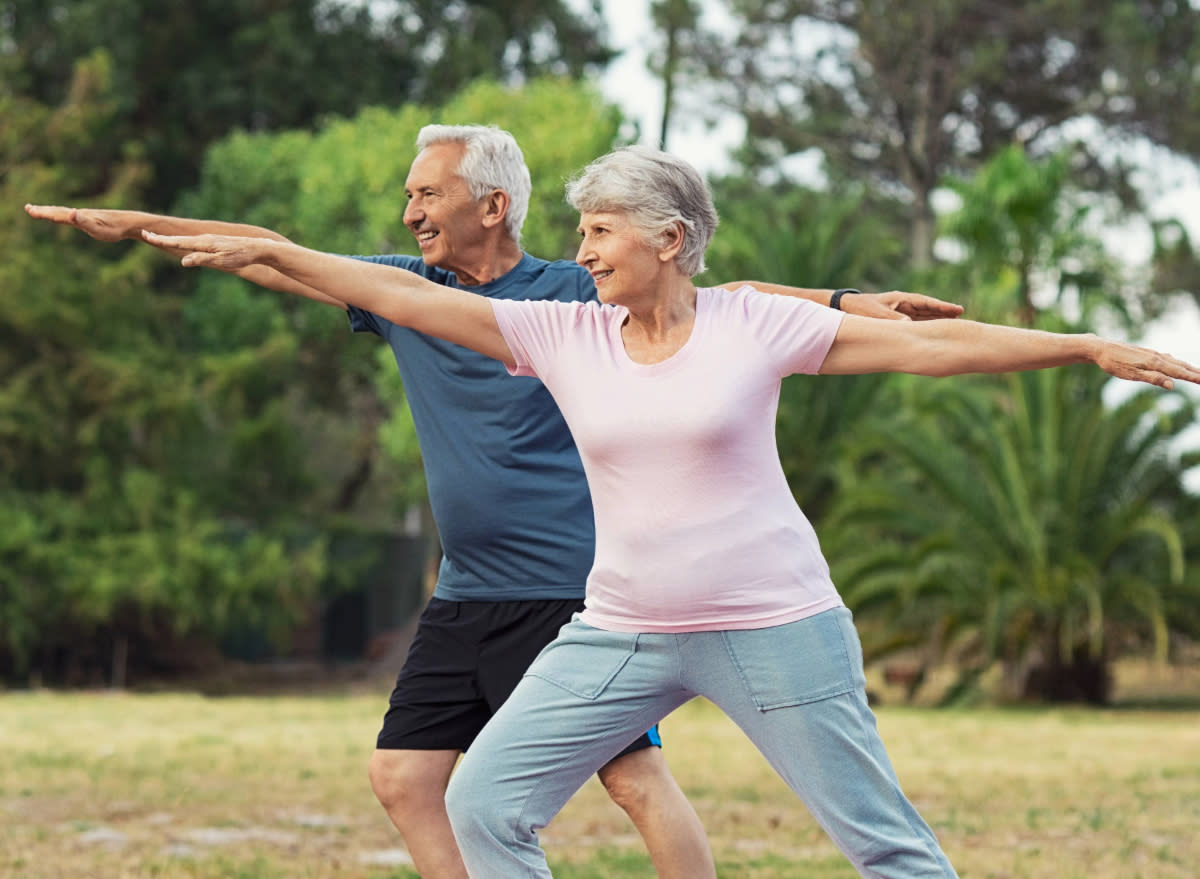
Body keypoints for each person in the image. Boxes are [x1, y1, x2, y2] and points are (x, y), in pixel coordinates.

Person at [138, 143, 1200, 878]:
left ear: (672, 240)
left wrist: (1084, 346)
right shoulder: (566, 335)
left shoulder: (752, 327)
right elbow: (412, 296)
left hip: (774, 625)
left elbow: (931, 350)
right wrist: (274, 249)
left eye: (603, 230)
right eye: (582, 231)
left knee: (882, 843)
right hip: (623, 628)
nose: (587, 249)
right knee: (483, 805)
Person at [25, 125, 964, 879]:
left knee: (633, 781)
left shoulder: (567, 295)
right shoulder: (409, 291)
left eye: (428, 194)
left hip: (569, 586)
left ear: (493, 203)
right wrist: (143, 225)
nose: (411, 211)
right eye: (410, 197)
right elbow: (279, 257)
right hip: (468, 587)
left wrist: (845, 299)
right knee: (405, 775)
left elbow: (719, 297)